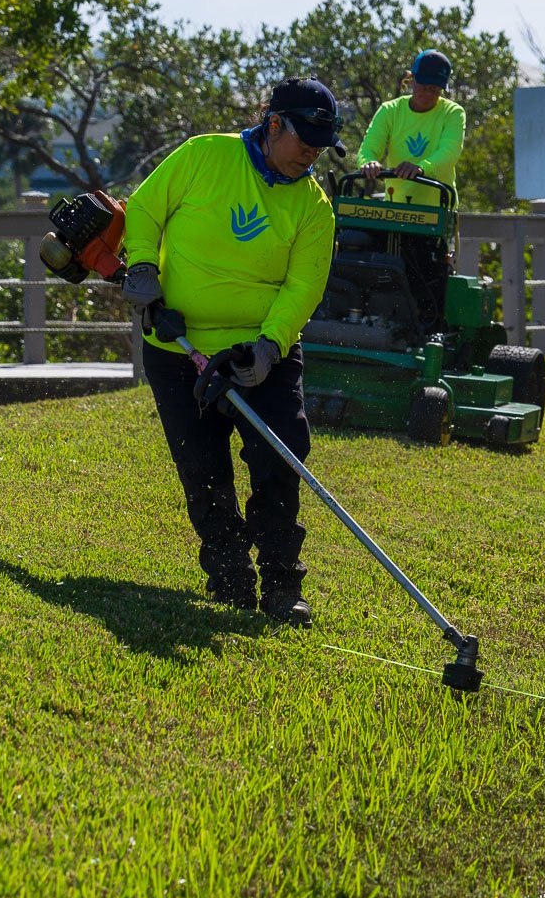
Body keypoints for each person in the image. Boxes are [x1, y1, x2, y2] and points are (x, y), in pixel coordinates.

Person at [120, 78, 342, 626]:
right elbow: (146, 209)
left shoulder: (315, 206)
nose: (313, 152)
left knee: (281, 456)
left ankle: (281, 584)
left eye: (322, 142)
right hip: (177, 348)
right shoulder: (204, 155)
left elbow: (303, 286)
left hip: (259, 353)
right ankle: (229, 575)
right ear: (273, 126)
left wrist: (268, 348)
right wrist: (145, 266)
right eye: (305, 138)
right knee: (203, 468)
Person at [357, 49, 465, 207]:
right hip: (395, 208)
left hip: (439, 211)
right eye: (424, 86)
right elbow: (368, 148)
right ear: (411, 79)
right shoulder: (390, 110)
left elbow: (449, 152)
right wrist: (368, 162)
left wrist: (421, 168)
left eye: (435, 89)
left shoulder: (453, 113)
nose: (428, 93)